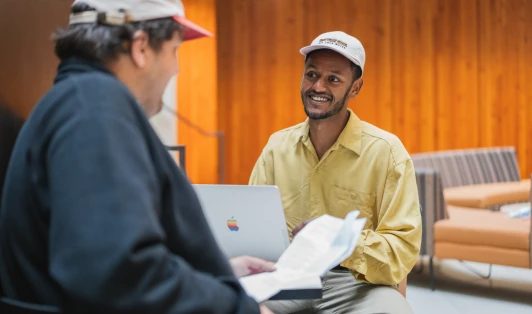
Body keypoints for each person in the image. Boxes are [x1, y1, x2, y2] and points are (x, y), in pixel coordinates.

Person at [0, 1, 275, 313]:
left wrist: (210, 275)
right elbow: (118, 273)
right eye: (175, 50)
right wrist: (237, 307)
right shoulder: (94, 108)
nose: (177, 68)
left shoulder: (77, 101)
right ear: (141, 47)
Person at [249, 31, 422, 314]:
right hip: (288, 275)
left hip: (356, 283)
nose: (318, 86)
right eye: (311, 74)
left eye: (333, 79)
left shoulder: (386, 152)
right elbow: (253, 225)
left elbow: (401, 249)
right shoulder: (277, 147)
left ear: (355, 88)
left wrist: (343, 241)